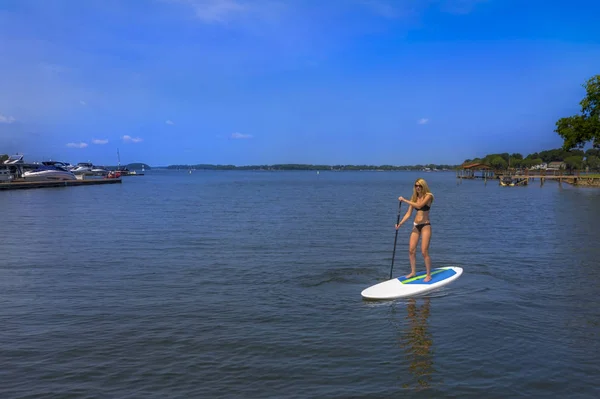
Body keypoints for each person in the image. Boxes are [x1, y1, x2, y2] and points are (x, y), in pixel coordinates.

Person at [395, 178, 434, 282]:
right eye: (416, 185)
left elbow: (419, 206)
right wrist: (400, 224)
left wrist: (404, 200)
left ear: (423, 186)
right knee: (411, 250)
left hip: (426, 225)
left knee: (424, 251)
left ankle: (428, 274)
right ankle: (413, 272)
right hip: (416, 225)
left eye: (420, 186)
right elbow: (408, 214)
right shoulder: (414, 197)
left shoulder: (429, 196)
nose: (418, 187)